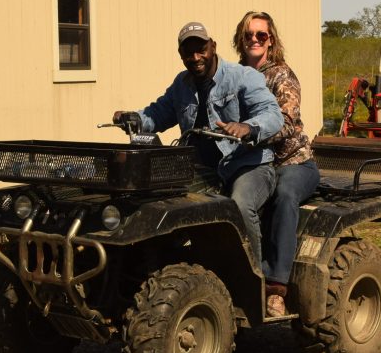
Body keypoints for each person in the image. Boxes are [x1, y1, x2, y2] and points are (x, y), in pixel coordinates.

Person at [113, 21, 284, 267]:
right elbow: (158, 113)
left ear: (213, 46)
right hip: (201, 171)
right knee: (155, 203)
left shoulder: (243, 76)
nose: (195, 57)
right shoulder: (181, 84)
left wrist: (248, 127)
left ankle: (252, 278)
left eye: (201, 49)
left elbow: (272, 114)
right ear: (180, 55)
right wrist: (135, 119)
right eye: (188, 52)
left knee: (239, 205)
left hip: (246, 165)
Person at [233, 11, 320, 317]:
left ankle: (276, 289)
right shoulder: (235, 75)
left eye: (261, 35)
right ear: (240, 40)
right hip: (254, 162)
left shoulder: (281, 75)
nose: (254, 40)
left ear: (271, 41)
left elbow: (286, 121)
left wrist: (251, 132)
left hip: (293, 162)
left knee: (283, 195)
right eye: (249, 35)